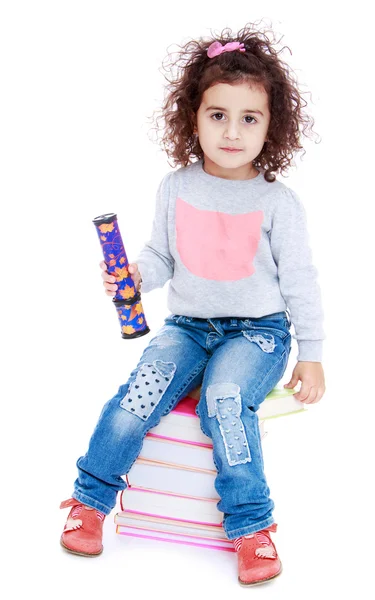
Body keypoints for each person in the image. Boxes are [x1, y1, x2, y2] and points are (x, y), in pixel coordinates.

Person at [60, 21, 326, 586]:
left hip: (257, 335)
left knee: (225, 401)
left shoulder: (279, 202)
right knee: (139, 395)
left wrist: (312, 352)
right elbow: (162, 256)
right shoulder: (176, 187)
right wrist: (135, 276)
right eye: (217, 115)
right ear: (193, 118)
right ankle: (90, 501)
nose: (232, 132)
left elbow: (301, 281)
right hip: (187, 327)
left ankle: (252, 527)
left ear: (272, 127)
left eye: (249, 118)